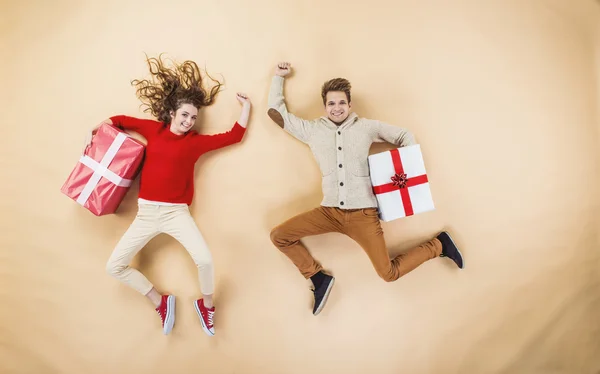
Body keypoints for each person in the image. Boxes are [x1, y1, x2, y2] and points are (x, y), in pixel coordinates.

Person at [267, 62, 464, 316]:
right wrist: (278, 77)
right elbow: (276, 113)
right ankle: (317, 278)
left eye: (341, 103)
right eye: (331, 104)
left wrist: (404, 170)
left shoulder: (366, 127)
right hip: (329, 212)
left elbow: (404, 135)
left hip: (363, 215)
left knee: (388, 273)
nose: (336, 108)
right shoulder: (313, 130)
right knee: (279, 235)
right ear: (324, 106)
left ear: (350, 105)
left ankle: (439, 245)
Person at [86, 55, 251, 336]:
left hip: (177, 214)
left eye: (193, 117)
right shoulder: (154, 129)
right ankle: (160, 301)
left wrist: (247, 107)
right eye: (184, 115)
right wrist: (101, 128)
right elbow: (122, 120)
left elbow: (234, 136)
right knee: (114, 266)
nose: (188, 121)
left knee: (205, 260)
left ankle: (206, 306)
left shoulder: (195, 143)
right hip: (147, 214)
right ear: (172, 113)